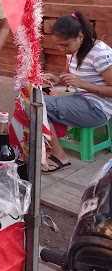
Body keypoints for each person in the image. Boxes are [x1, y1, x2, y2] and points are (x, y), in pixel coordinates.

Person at [43, 11, 112, 173]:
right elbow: (68, 76)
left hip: (98, 109)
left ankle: (59, 155)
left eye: (65, 45)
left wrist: (83, 84)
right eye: (58, 45)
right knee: (36, 95)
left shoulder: (100, 53)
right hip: (81, 99)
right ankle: (49, 143)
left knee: (37, 104)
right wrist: (56, 79)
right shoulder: (75, 51)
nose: (61, 49)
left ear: (80, 36)